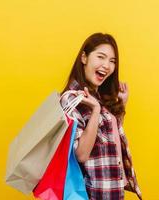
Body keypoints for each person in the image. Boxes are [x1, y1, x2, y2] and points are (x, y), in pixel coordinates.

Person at [60, 32, 142, 200]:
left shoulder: (98, 98)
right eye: (101, 57)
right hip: (92, 195)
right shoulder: (72, 99)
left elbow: (108, 140)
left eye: (112, 61)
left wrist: (121, 106)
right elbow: (81, 154)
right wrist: (96, 110)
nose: (107, 65)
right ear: (84, 58)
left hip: (111, 192)